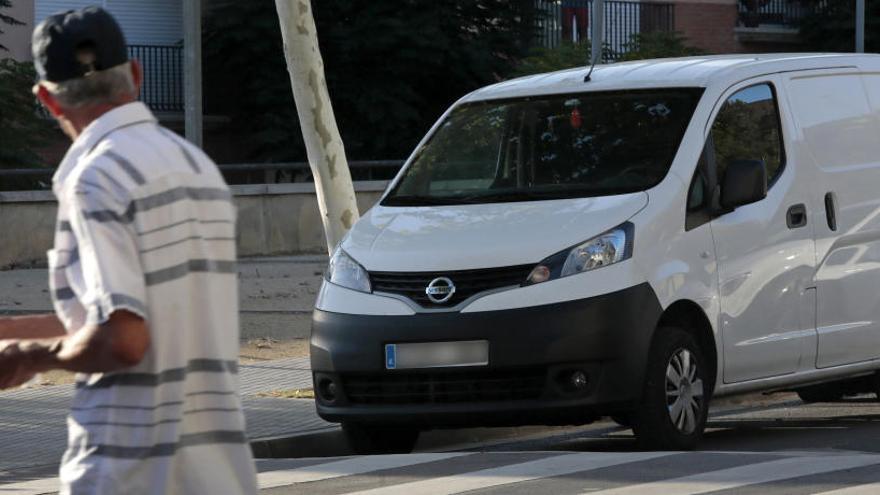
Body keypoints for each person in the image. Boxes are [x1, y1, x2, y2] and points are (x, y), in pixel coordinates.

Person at [0, 7, 258, 494]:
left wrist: (28, 355)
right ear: (135, 75)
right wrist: (10, 331)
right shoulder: (196, 167)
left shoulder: (96, 179)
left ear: (47, 101)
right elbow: (143, 315)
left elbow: (123, 340)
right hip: (216, 469)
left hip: (130, 470)